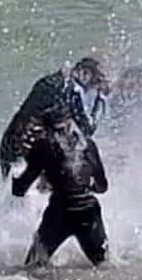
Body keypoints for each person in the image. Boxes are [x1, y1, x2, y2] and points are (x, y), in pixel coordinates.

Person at [11, 103, 109, 268]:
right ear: (70, 123)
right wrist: (82, 187)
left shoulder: (43, 146)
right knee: (104, 265)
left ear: (45, 127)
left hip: (61, 212)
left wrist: (17, 175)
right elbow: (102, 186)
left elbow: (19, 189)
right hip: (89, 212)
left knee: (33, 266)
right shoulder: (89, 145)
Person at [0, 57, 109, 178]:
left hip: (9, 144)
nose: (94, 87)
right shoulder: (71, 89)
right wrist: (101, 99)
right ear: (84, 73)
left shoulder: (51, 81)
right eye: (96, 82)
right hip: (29, 151)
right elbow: (87, 129)